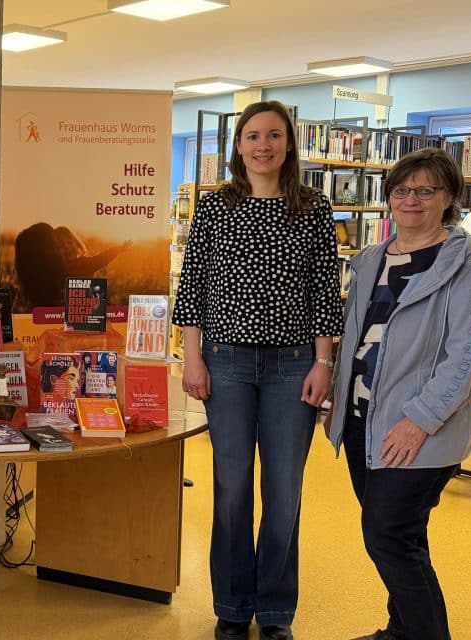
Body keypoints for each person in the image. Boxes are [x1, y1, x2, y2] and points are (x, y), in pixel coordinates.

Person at [171, 100, 341, 640]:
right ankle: (232, 605)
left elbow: (323, 294)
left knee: (285, 492)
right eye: (252, 135)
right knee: (233, 488)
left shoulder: (312, 208)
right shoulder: (215, 207)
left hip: (295, 365)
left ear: (289, 144)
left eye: (273, 135)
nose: (262, 145)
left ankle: (274, 612)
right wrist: (192, 356)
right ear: (238, 146)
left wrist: (324, 362)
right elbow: (193, 286)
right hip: (227, 362)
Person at [328, 148, 471, 640]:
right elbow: (356, 337)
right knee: (403, 537)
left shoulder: (466, 268)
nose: (412, 199)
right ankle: (402, 630)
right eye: (402, 190)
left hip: (418, 429)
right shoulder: (372, 262)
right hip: (366, 422)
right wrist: (339, 404)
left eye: (426, 190)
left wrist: (419, 419)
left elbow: (466, 359)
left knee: (388, 538)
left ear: (449, 199)